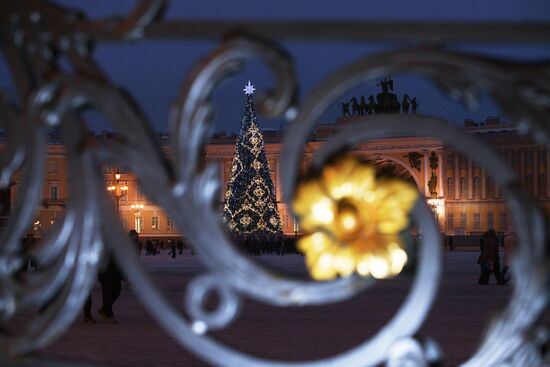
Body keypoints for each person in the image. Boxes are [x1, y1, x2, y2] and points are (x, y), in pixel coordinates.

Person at [97, 232, 130, 323]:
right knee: (107, 292)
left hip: (115, 272)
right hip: (105, 272)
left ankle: (105, 309)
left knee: (117, 291)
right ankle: (108, 314)